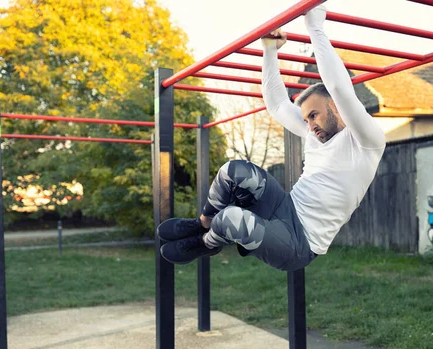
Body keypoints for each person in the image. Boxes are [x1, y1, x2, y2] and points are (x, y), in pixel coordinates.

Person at [157, 6, 386, 271]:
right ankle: (203, 223)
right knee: (233, 171)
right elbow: (277, 104)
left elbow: (339, 87)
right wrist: (269, 50)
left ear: (335, 106)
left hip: (300, 242)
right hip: (284, 204)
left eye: (314, 115)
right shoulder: (315, 135)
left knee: (231, 219)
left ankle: (207, 244)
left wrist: (315, 28)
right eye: (306, 119)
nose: (309, 126)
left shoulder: (367, 140)